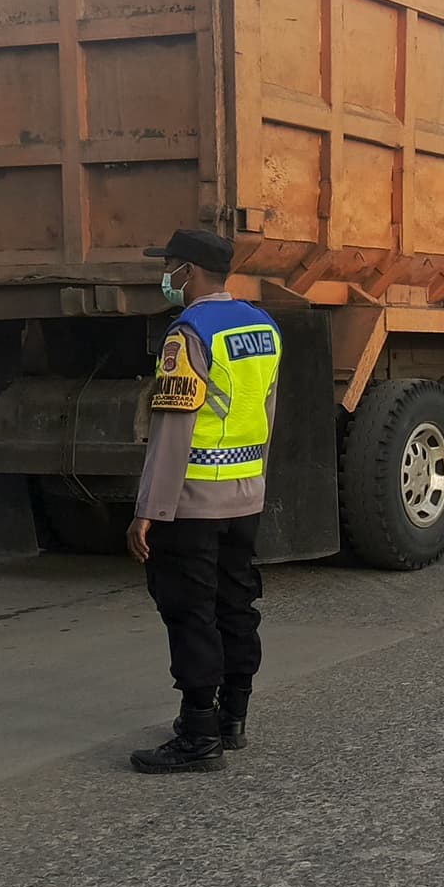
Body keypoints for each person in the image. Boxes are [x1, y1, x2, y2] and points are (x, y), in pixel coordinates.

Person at [126, 228, 282, 775]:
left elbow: (174, 427)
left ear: (188, 272)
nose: (164, 276)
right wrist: (255, 484)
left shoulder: (188, 335)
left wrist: (149, 510)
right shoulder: (262, 326)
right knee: (236, 606)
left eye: (168, 265)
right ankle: (232, 717)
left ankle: (198, 735)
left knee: (190, 612)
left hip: (192, 502)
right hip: (245, 495)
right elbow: (266, 412)